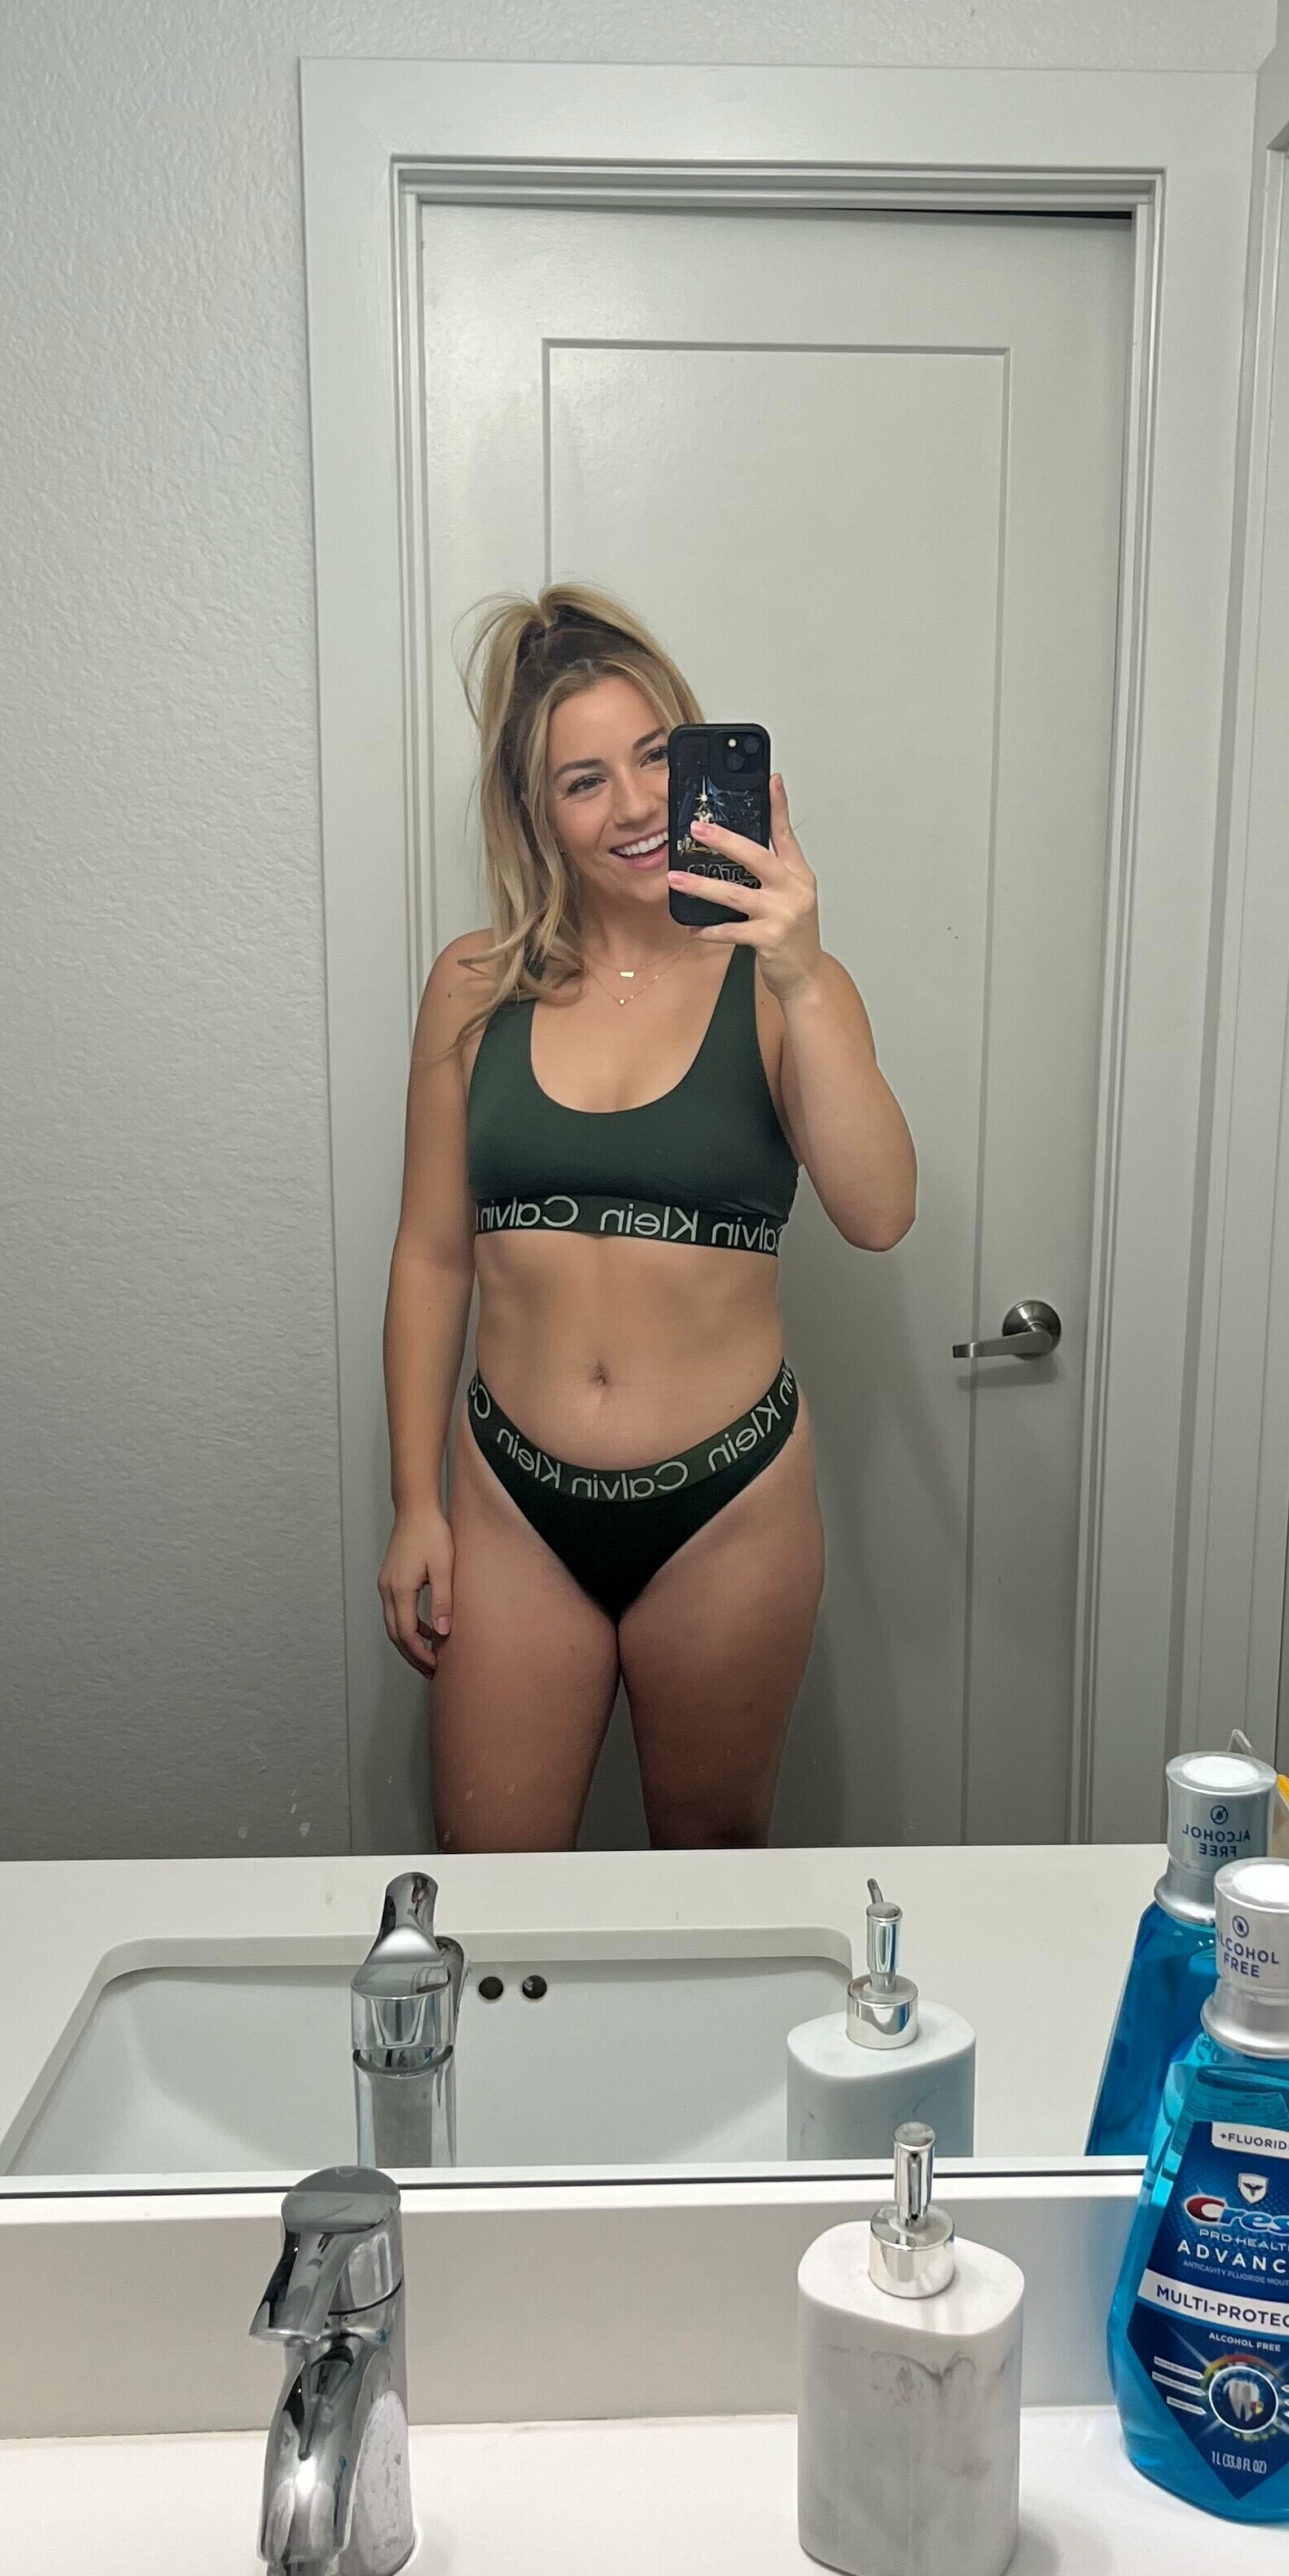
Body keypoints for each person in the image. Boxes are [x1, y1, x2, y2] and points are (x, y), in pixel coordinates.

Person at [379, 584, 916, 1852]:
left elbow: (881, 1212)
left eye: (656, 756)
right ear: (535, 812)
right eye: (583, 781)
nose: (630, 805)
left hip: (729, 1508)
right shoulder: (472, 986)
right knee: (494, 1896)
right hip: (511, 1502)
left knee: (709, 1886)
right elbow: (433, 1256)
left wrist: (801, 973)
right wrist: (415, 1503)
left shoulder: (785, 985)